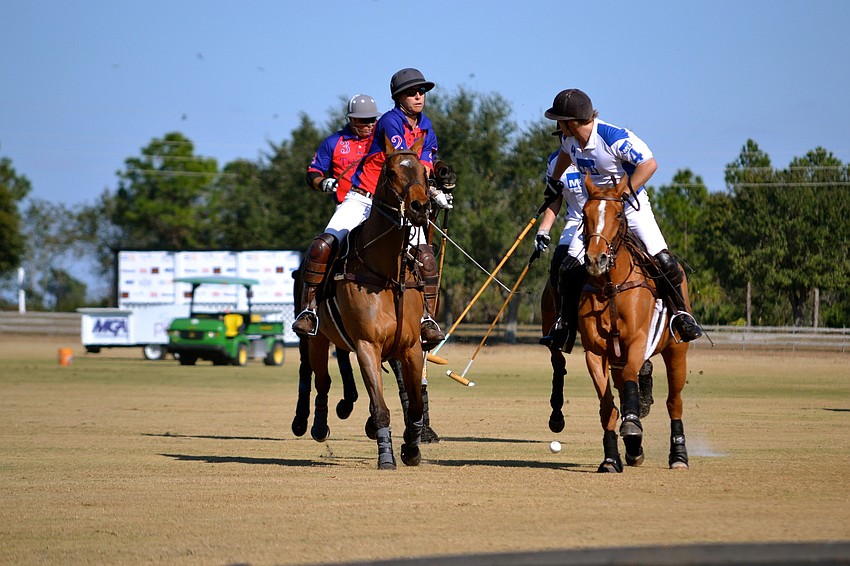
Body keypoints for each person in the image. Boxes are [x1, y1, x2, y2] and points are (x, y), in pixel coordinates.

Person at [292, 68, 454, 350]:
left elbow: (424, 163)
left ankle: (427, 318)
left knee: (426, 256)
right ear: (398, 97)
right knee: (322, 246)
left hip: (396, 204)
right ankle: (310, 310)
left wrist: (436, 182)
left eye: (422, 92)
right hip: (363, 196)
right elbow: (403, 160)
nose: (419, 97)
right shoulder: (391, 122)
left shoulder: (426, 126)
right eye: (412, 93)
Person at [541, 88, 703, 346]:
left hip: (630, 206)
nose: (558, 125)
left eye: (559, 120)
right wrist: (553, 181)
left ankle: (681, 316)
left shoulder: (613, 137)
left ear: (571, 122)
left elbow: (649, 164)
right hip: (599, 212)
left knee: (664, 260)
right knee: (568, 268)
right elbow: (563, 155)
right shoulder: (570, 141)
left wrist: (625, 192)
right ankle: (566, 326)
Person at [534, 150, 587, 353]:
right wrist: (543, 230)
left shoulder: (598, 152)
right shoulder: (554, 161)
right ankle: (563, 324)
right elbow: (555, 198)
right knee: (558, 264)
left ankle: (673, 313)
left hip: (605, 220)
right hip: (575, 223)